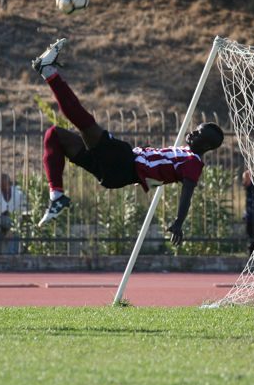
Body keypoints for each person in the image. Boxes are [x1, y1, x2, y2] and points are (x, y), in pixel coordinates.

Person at [31, 38, 224, 245]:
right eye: (196, 129)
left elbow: (188, 192)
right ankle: (56, 196)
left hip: (125, 164)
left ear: (206, 146)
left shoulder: (193, 162)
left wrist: (178, 222)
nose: (193, 132)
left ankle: (48, 71)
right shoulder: (185, 152)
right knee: (55, 135)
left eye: (198, 134)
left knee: (85, 123)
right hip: (113, 173)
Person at [0, 173, 29, 255]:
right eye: (0, 182)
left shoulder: (17, 192)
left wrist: (22, 214)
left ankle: (12, 254)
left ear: (8, 182)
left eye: (3, 182)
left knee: (15, 230)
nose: (1, 184)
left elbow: (24, 205)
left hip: (11, 219)